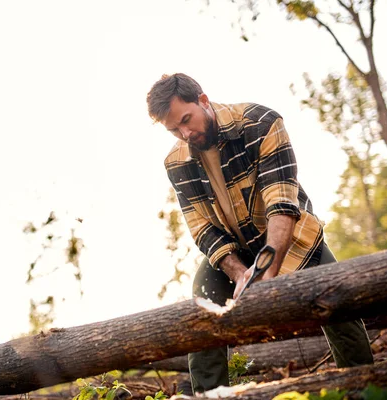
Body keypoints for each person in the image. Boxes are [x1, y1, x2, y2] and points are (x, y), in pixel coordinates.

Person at [146, 73, 373, 393]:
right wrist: (237, 271)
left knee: (339, 304)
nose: (185, 133)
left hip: (291, 238)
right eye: (173, 129)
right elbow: (201, 227)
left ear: (204, 101)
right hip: (234, 250)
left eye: (187, 119)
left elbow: (281, 202)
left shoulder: (260, 123)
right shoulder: (175, 162)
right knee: (202, 312)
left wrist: (267, 268)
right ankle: (209, 396)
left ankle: (364, 388)